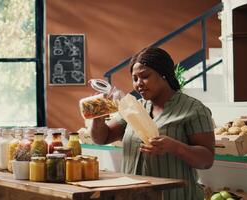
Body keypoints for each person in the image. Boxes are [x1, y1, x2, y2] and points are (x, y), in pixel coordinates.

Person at [88, 47, 215, 200]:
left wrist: (175, 147)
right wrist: (98, 115)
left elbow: (207, 160)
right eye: (135, 79)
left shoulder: (193, 109)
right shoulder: (134, 108)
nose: (138, 84)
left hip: (174, 196)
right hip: (131, 196)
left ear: (164, 75)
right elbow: (102, 138)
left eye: (145, 76)